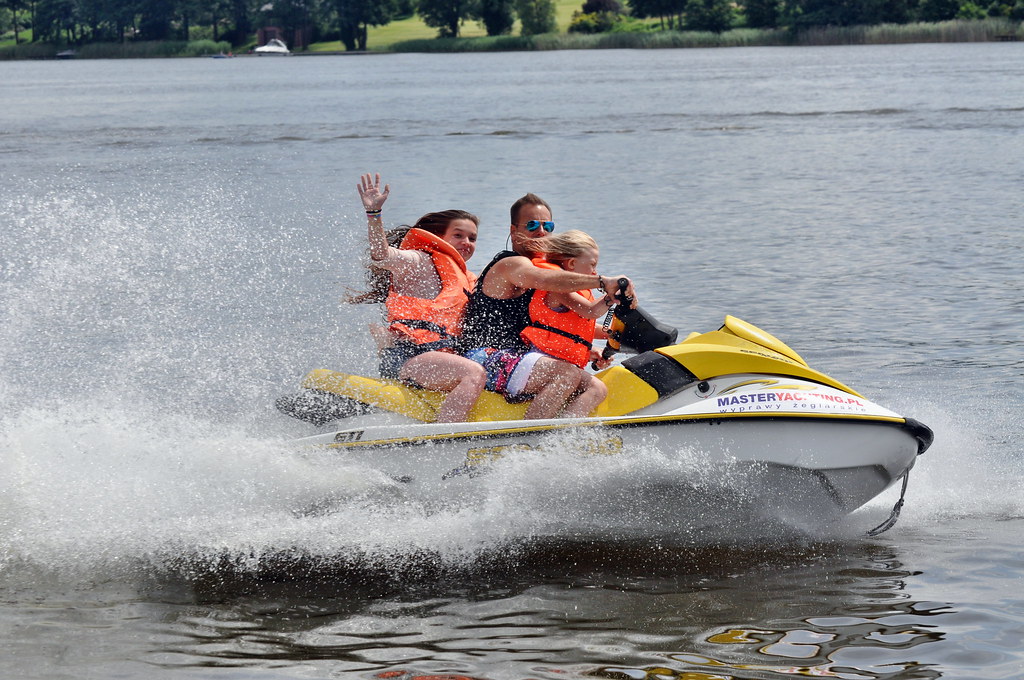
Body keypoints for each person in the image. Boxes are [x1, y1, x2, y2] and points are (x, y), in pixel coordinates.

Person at [459, 193, 637, 420]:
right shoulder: (511, 264)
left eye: (548, 226)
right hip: (487, 357)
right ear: (513, 231)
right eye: (532, 225)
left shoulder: (547, 275)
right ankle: (531, 440)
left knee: (596, 388)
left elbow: (558, 325)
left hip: (522, 358)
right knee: (566, 375)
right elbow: (543, 279)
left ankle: (562, 442)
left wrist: (608, 338)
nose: (541, 232)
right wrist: (603, 282)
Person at [353, 172, 486, 423]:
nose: (466, 242)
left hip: (441, 356)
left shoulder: (467, 279)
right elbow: (382, 256)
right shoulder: (419, 261)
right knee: (473, 373)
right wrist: (374, 215)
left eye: (472, 238)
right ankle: (445, 439)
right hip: (409, 356)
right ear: (439, 237)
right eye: (458, 235)